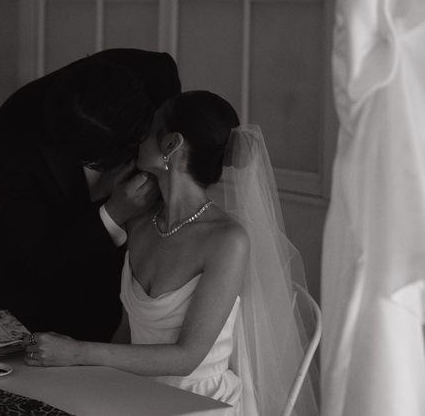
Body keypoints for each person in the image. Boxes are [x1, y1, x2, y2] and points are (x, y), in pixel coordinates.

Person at [23, 91, 319, 416]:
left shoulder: (227, 240)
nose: (139, 138)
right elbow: (127, 332)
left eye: (150, 131)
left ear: (172, 144)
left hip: (199, 403)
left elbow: (187, 357)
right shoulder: (141, 223)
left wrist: (79, 353)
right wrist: (87, 376)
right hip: (136, 393)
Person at [0, 49, 181, 342]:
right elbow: (39, 259)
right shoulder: (10, 142)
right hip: (39, 275)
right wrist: (114, 213)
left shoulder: (156, 75)